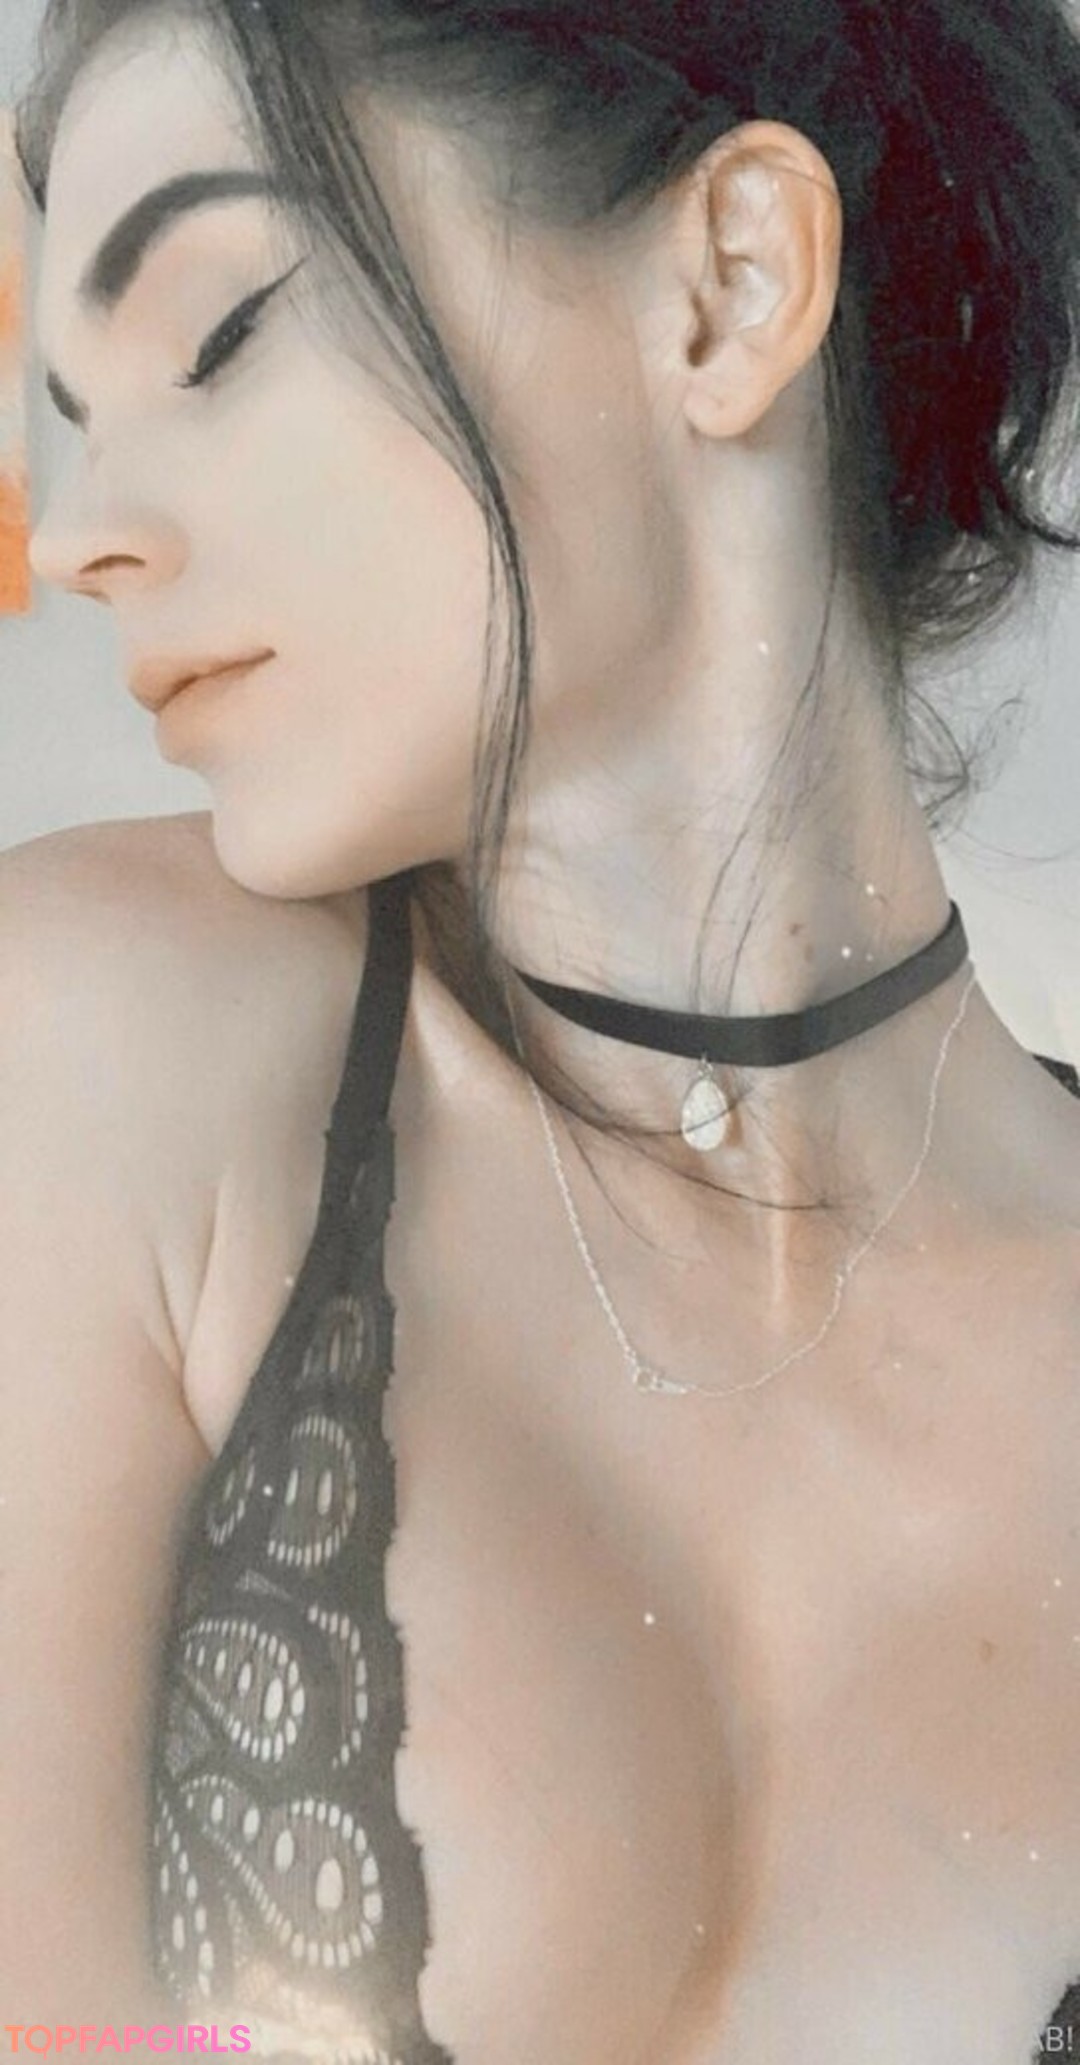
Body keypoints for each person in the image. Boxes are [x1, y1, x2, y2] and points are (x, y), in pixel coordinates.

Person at [4, 0, 1080, 2056]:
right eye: (73, 413)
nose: (78, 536)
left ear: (730, 288)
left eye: (218, 335)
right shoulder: (94, 1055)